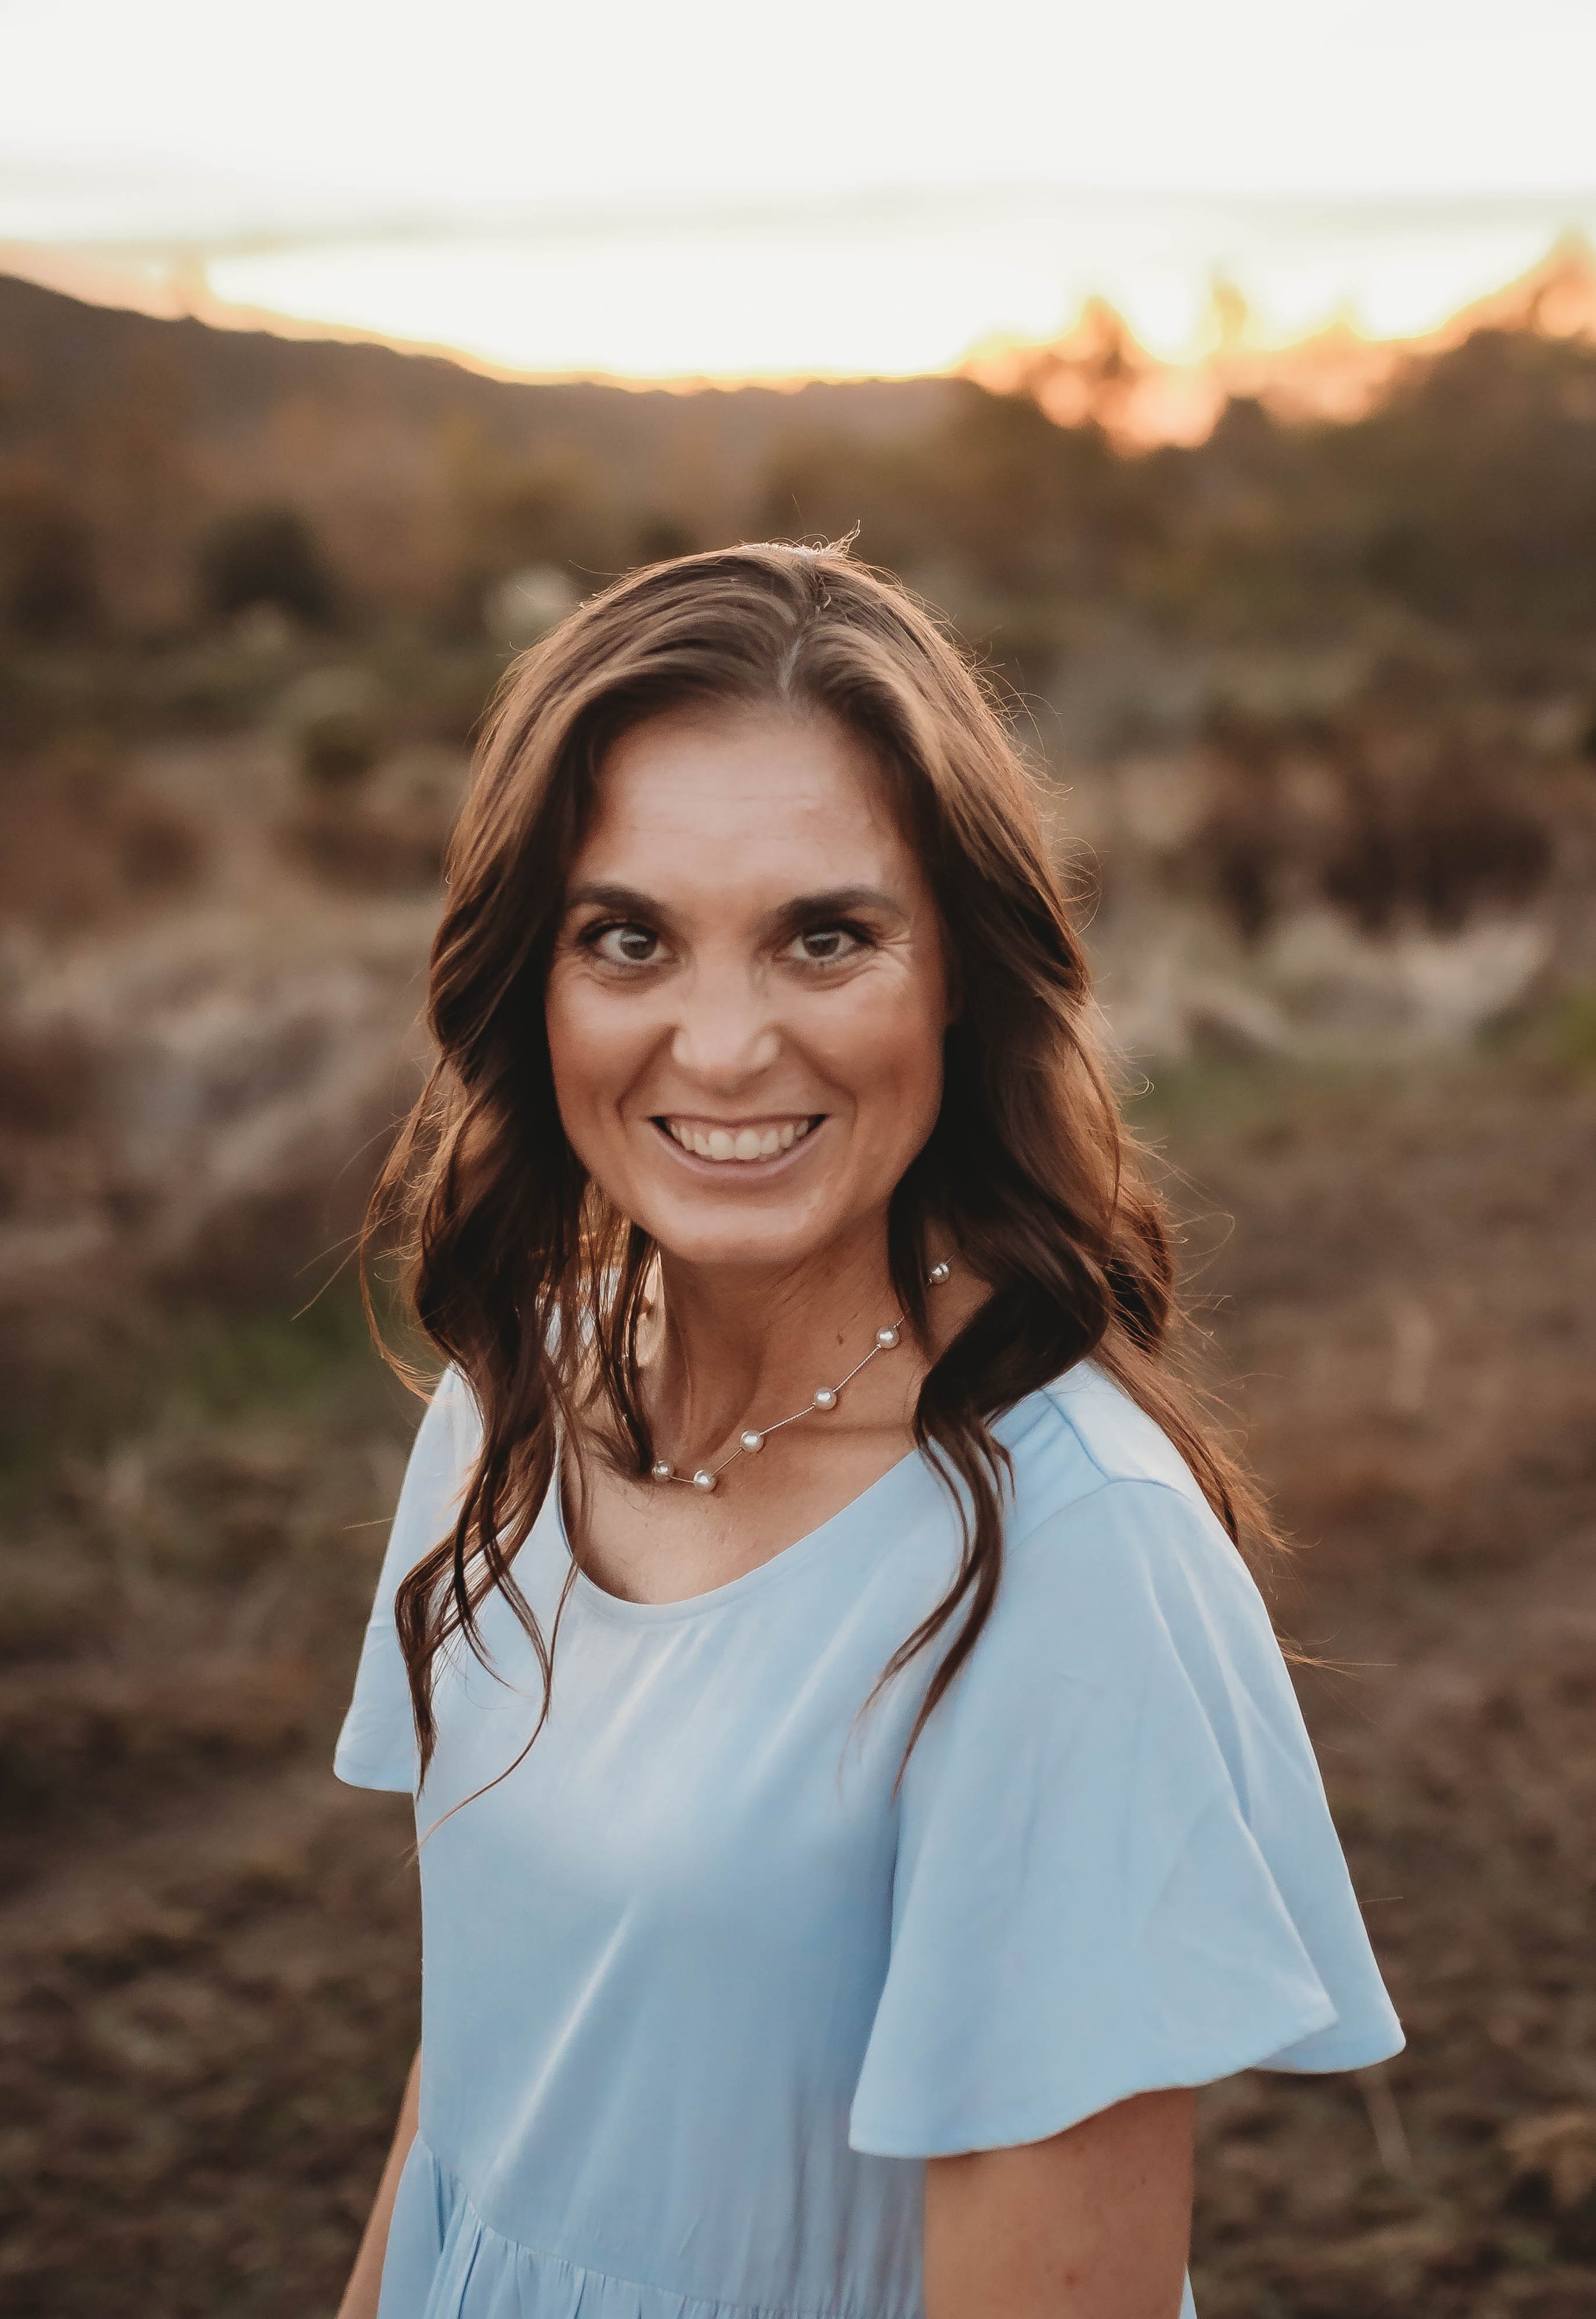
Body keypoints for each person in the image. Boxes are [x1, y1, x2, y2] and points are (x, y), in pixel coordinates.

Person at [333, 543, 1402, 2319]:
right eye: (628, 937)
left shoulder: (1067, 1567)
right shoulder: (504, 1407)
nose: (726, 1042)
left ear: (956, 974)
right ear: (536, 976)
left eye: (824, 937)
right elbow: (479, 2078)